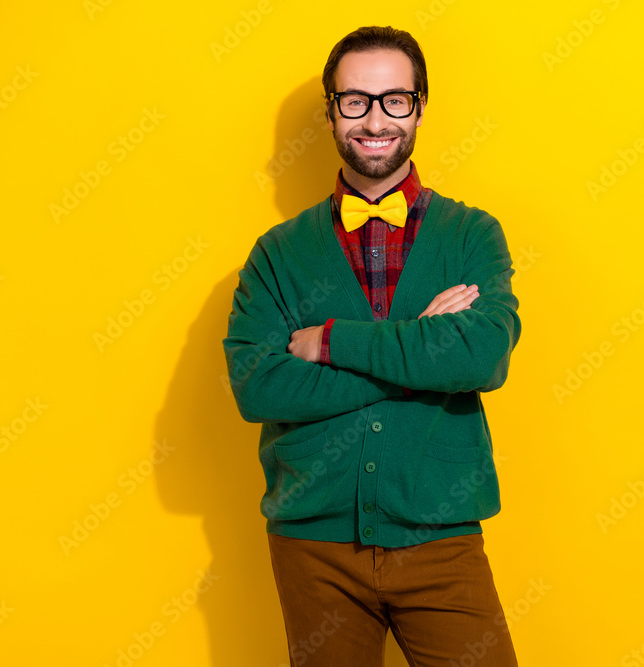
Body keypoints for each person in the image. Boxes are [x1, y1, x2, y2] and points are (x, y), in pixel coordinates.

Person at [223, 25, 521, 667]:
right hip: (312, 544)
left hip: (441, 536)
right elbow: (258, 386)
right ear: (331, 111)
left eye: (394, 99)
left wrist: (333, 341)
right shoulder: (278, 253)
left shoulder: (471, 235)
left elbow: (481, 358)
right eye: (355, 100)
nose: (375, 119)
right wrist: (422, 350)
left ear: (418, 106)